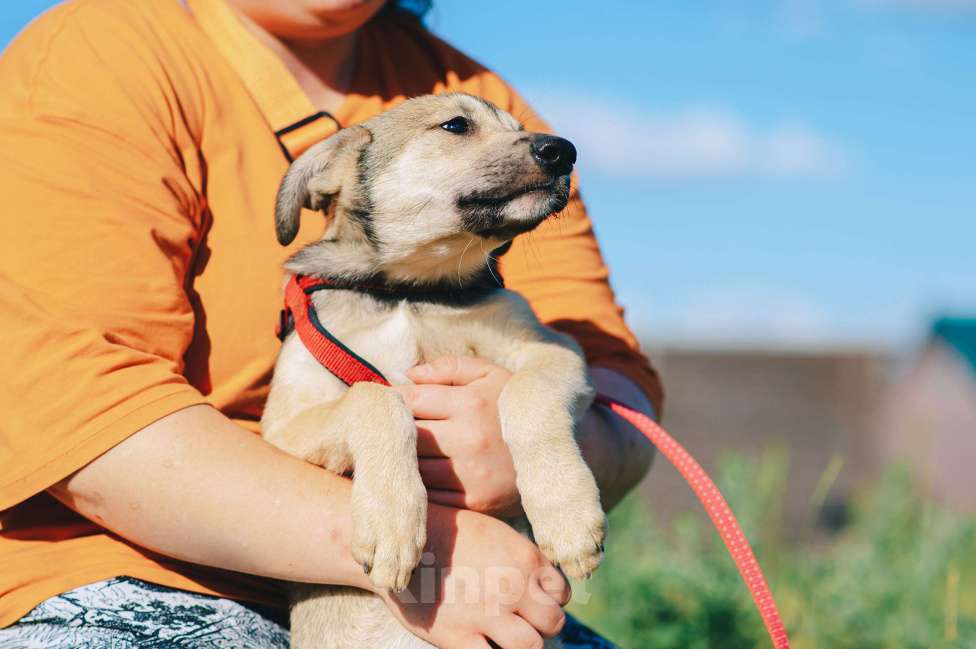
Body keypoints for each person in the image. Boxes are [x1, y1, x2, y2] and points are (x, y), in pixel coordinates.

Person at [0, 1, 664, 647]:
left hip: (481, 583)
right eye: (459, 130)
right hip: (139, 575)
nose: (519, 146)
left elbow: (619, 386)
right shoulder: (102, 51)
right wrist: (427, 542)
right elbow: (74, 413)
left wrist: (529, 446)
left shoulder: (473, 89)